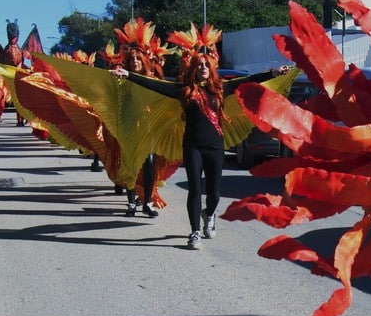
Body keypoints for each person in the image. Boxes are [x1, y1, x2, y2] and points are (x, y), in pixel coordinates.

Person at [112, 32, 272, 250]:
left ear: (210, 67)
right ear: (194, 69)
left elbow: (247, 81)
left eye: (206, 65)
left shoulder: (221, 89)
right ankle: (195, 231)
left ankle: (209, 214)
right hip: (192, 146)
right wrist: (128, 75)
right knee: (195, 190)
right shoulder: (183, 91)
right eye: (199, 65)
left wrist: (272, 72)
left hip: (215, 146)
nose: (203, 68)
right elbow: (154, 85)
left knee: (213, 193)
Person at [115, 47, 160, 218]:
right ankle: (131, 203)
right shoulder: (122, 82)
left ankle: (147, 202)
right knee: (131, 166)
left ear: (144, 62)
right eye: (132, 59)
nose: (135, 62)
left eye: (138, 59)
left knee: (149, 165)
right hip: (129, 128)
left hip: (148, 129)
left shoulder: (152, 80)